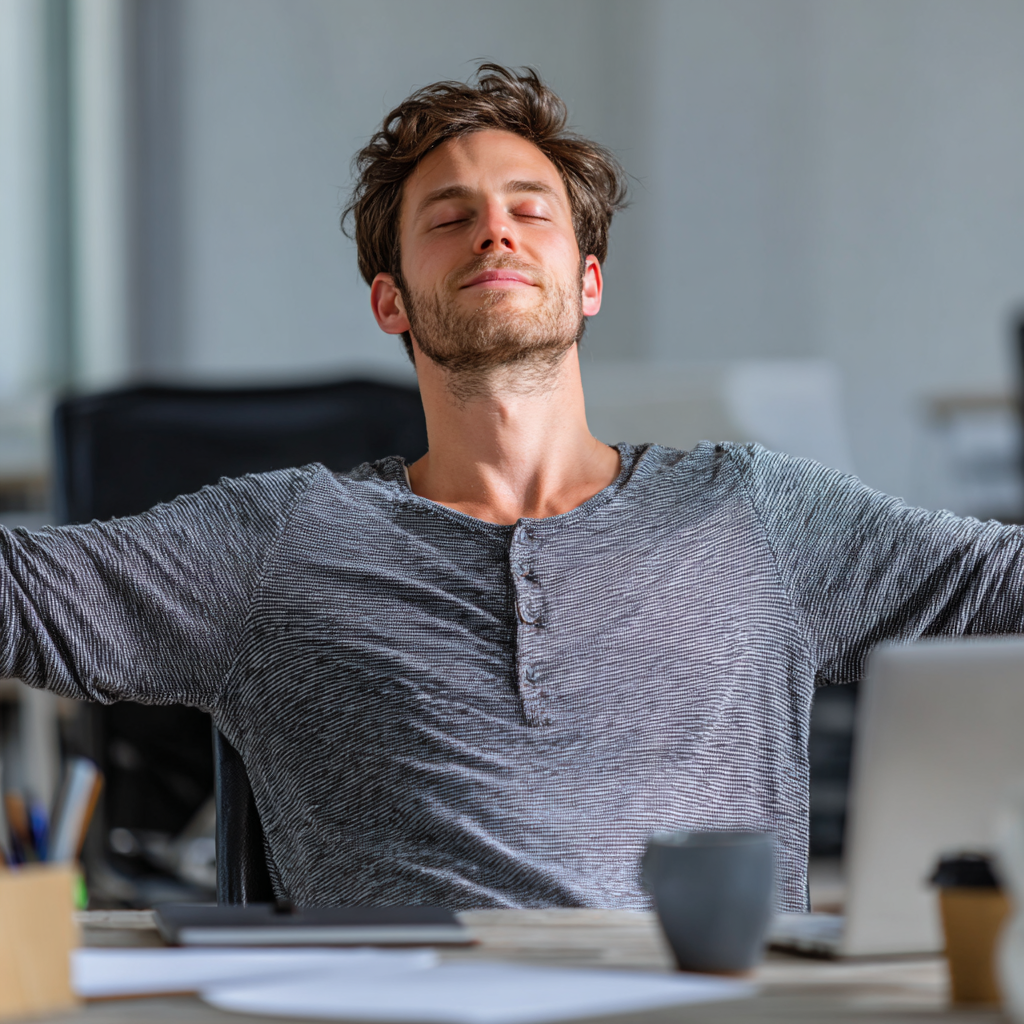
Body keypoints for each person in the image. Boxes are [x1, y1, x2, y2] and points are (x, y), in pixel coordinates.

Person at [3, 63, 1024, 912]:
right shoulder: (281, 539)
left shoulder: (753, 513)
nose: (494, 231)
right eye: (449, 217)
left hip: (709, 1008)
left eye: (528, 210)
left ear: (587, 280)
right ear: (389, 301)